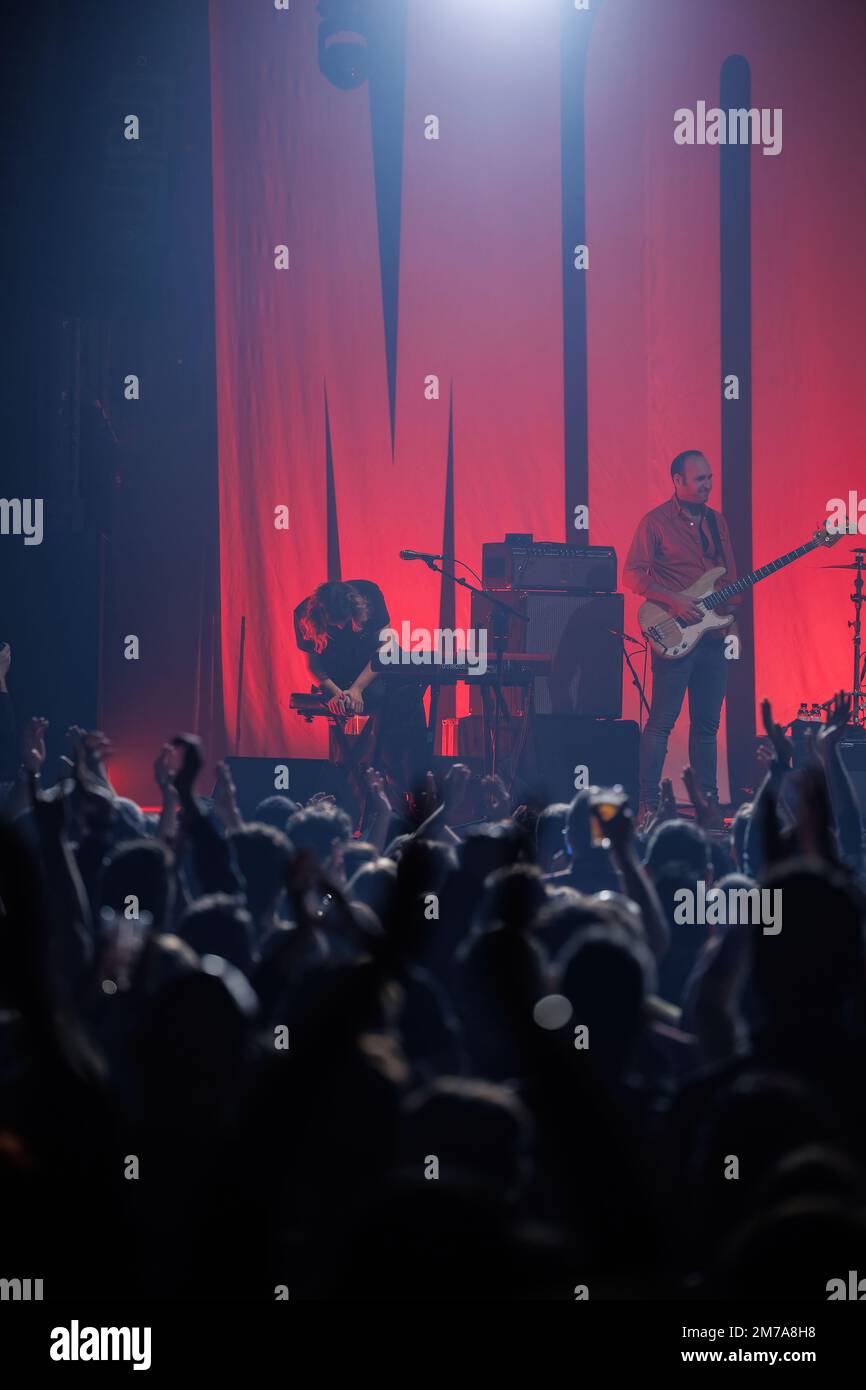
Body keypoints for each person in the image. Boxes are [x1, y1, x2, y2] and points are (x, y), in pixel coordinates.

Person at [624, 451, 739, 815]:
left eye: (709, 478)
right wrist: (672, 600)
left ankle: (707, 807)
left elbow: (729, 579)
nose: (707, 485)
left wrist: (731, 608)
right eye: (699, 479)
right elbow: (632, 575)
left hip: (712, 638)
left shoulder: (716, 522)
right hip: (674, 635)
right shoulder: (655, 522)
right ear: (678, 481)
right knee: (661, 724)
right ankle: (649, 805)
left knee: (707, 726)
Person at [293, 579, 427, 805]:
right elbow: (314, 667)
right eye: (334, 625)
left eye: (344, 623)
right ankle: (379, 771)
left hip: (374, 668)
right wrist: (338, 693)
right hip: (336, 679)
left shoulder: (370, 593)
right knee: (381, 699)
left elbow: (386, 647)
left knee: (407, 694)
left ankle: (408, 779)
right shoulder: (303, 613)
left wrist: (357, 688)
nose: (340, 628)